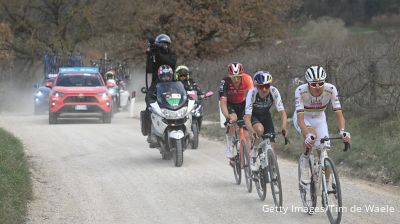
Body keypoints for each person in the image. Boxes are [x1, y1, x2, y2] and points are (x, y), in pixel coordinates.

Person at [294, 66, 351, 185]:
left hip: (320, 118)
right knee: (312, 137)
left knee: (324, 150)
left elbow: (339, 114)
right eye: (314, 84)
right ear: (308, 83)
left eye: (321, 83)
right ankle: (304, 163)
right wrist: (308, 134)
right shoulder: (300, 90)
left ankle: (324, 185)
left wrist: (342, 131)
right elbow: (300, 120)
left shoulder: (330, 89)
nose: (318, 87)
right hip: (304, 117)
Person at [244, 71, 287, 171]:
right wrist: (251, 131)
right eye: (261, 86)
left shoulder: (274, 91)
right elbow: (247, 117)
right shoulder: (252, 93)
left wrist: (284, 127)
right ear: (256, 86)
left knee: (271, 147)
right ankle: (254, 154)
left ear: (270, 85)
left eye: (267, 86)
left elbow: (282, 113)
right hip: (253, 116)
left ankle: (272, 174)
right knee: (259, 130)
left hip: (265, 116)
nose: (264, 89)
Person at [219, 62, 254, 164]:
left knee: (247, 132)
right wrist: (227, 117)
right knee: (233, 119)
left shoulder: (247, 79)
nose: (236, 79)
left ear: (242, 75)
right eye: (233, 77)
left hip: (243, 103)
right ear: (229, 76)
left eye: (238, 77)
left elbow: (253, 96)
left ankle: (248, 158)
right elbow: (223, 103)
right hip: (230, 104)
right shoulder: (224, 82)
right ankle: (229, 145)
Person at [146, 65, 175, 147]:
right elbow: (149, 95)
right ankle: (152, 134)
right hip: (160, 106)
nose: (166, 78)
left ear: (171, 76)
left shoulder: (174, 84)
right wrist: (150, 101)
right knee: (150, 113)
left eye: (168, 76)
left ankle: (188, 132)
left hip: (172, 106)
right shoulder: (155, 84)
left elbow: (181, 92)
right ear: (160, 76)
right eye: (164, 76)